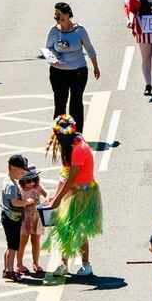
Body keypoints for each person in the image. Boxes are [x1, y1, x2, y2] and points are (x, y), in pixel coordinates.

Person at [45, 116, 101, 277]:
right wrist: (55, 196)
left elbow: (72, 178)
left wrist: (57, 200)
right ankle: (64, 264)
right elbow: (65, 175)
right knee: (66, 228)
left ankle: (86, 264)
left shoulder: (78, 150)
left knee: (80, 229)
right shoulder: (73, 144)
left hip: (83, 193)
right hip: (73, 191)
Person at [44, 3, 100, 127]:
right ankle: (60, 134)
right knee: (60, 103)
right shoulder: (53, 31)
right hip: (58, 72)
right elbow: (48, 48)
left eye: (61, 16)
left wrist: (95, 66)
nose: (58, 19)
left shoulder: (80, 30)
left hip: (78, 71)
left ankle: (77, 134)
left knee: (76, 103)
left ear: (68, 15)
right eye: (56, 17)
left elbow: (89, 47)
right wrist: (52, 57)